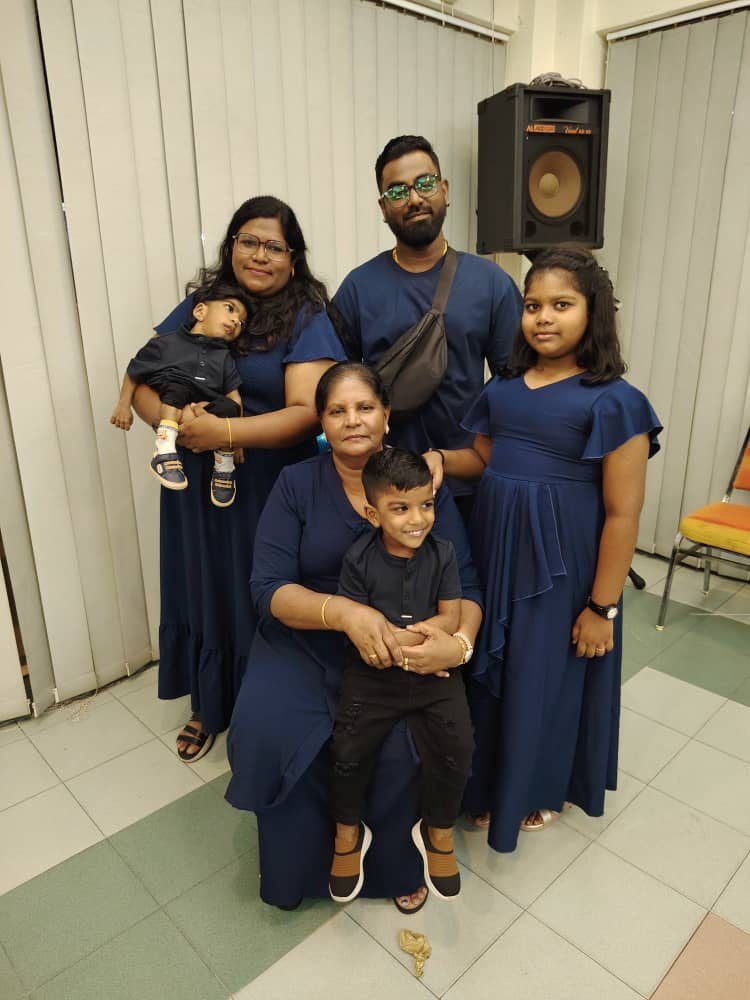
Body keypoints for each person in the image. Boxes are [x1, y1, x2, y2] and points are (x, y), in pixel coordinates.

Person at [225, 363, 483, 913]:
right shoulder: (296, 484)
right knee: (268, 726)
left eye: (365, 407)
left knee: (407, 740)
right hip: (307, 636)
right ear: (321, 422)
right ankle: (302, 868)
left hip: (405, 645)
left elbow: (468, 584)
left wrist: (457, 644)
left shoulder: (420, 484)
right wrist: (342, 613)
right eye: (336, 411)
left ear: (387, 415)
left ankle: (397, 867)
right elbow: (267, 588)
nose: (352, 421)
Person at [436, 245, 662, 852]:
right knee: (497, 671)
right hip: (496, 550)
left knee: (547, 674)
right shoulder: (504, 387)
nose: (543, 318)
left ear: (593, 312)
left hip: (562, 566)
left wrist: (603, 607)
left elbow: (624, 514)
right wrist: (437, 461)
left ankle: (539, 788)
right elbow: (482, 461)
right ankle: (491, 782)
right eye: (533, 305)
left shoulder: (616, 400)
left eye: (562, 305)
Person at [131, 196, 346, 762]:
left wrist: (223, 433)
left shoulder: (306, 317)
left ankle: (263, 711)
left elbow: (307, 413)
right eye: (248, 241)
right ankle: (208, 703)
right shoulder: (200, 305)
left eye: (275, 246)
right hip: (191, 479)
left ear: (293, 259)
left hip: (267, 487)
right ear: (231, 247)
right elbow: (144, 378)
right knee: (203, 584)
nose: (259, 255)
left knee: (257, 592)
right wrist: (177, 426)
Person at [332, 134, 523, 519]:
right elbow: (336, 386)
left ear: (444, 190)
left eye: (425, 183)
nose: (415, 198)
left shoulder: (491, 283)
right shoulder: (358, 288)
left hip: (468, 482)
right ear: (383, 207)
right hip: (384, 490)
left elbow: (516, 386)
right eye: (398, 191)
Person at [329, 448, 475, 904]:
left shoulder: (444, 553)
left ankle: (438, 831)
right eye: (400, 508)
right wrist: (397, 643)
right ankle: (347, 834)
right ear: (373, 513)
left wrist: (413, 640)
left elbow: (451, 616)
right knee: (347, 750)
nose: (417, 519)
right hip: (373, 674)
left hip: (435, 672)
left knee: (459, 747)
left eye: (426, 504)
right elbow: (359, 625)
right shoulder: (358, 559)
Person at [112, 283, 250, 507]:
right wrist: (123, 405)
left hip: (207, 413)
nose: (236, 321)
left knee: (229, 407)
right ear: (200, 311)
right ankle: (164, 450)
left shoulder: (224, 357)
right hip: (174, 398)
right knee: (178, 386)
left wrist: (238, 439)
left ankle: (224, 467)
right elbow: (135, 369)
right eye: (230, 309)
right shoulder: (166, 343)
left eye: (241, 322)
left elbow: (234, 397)